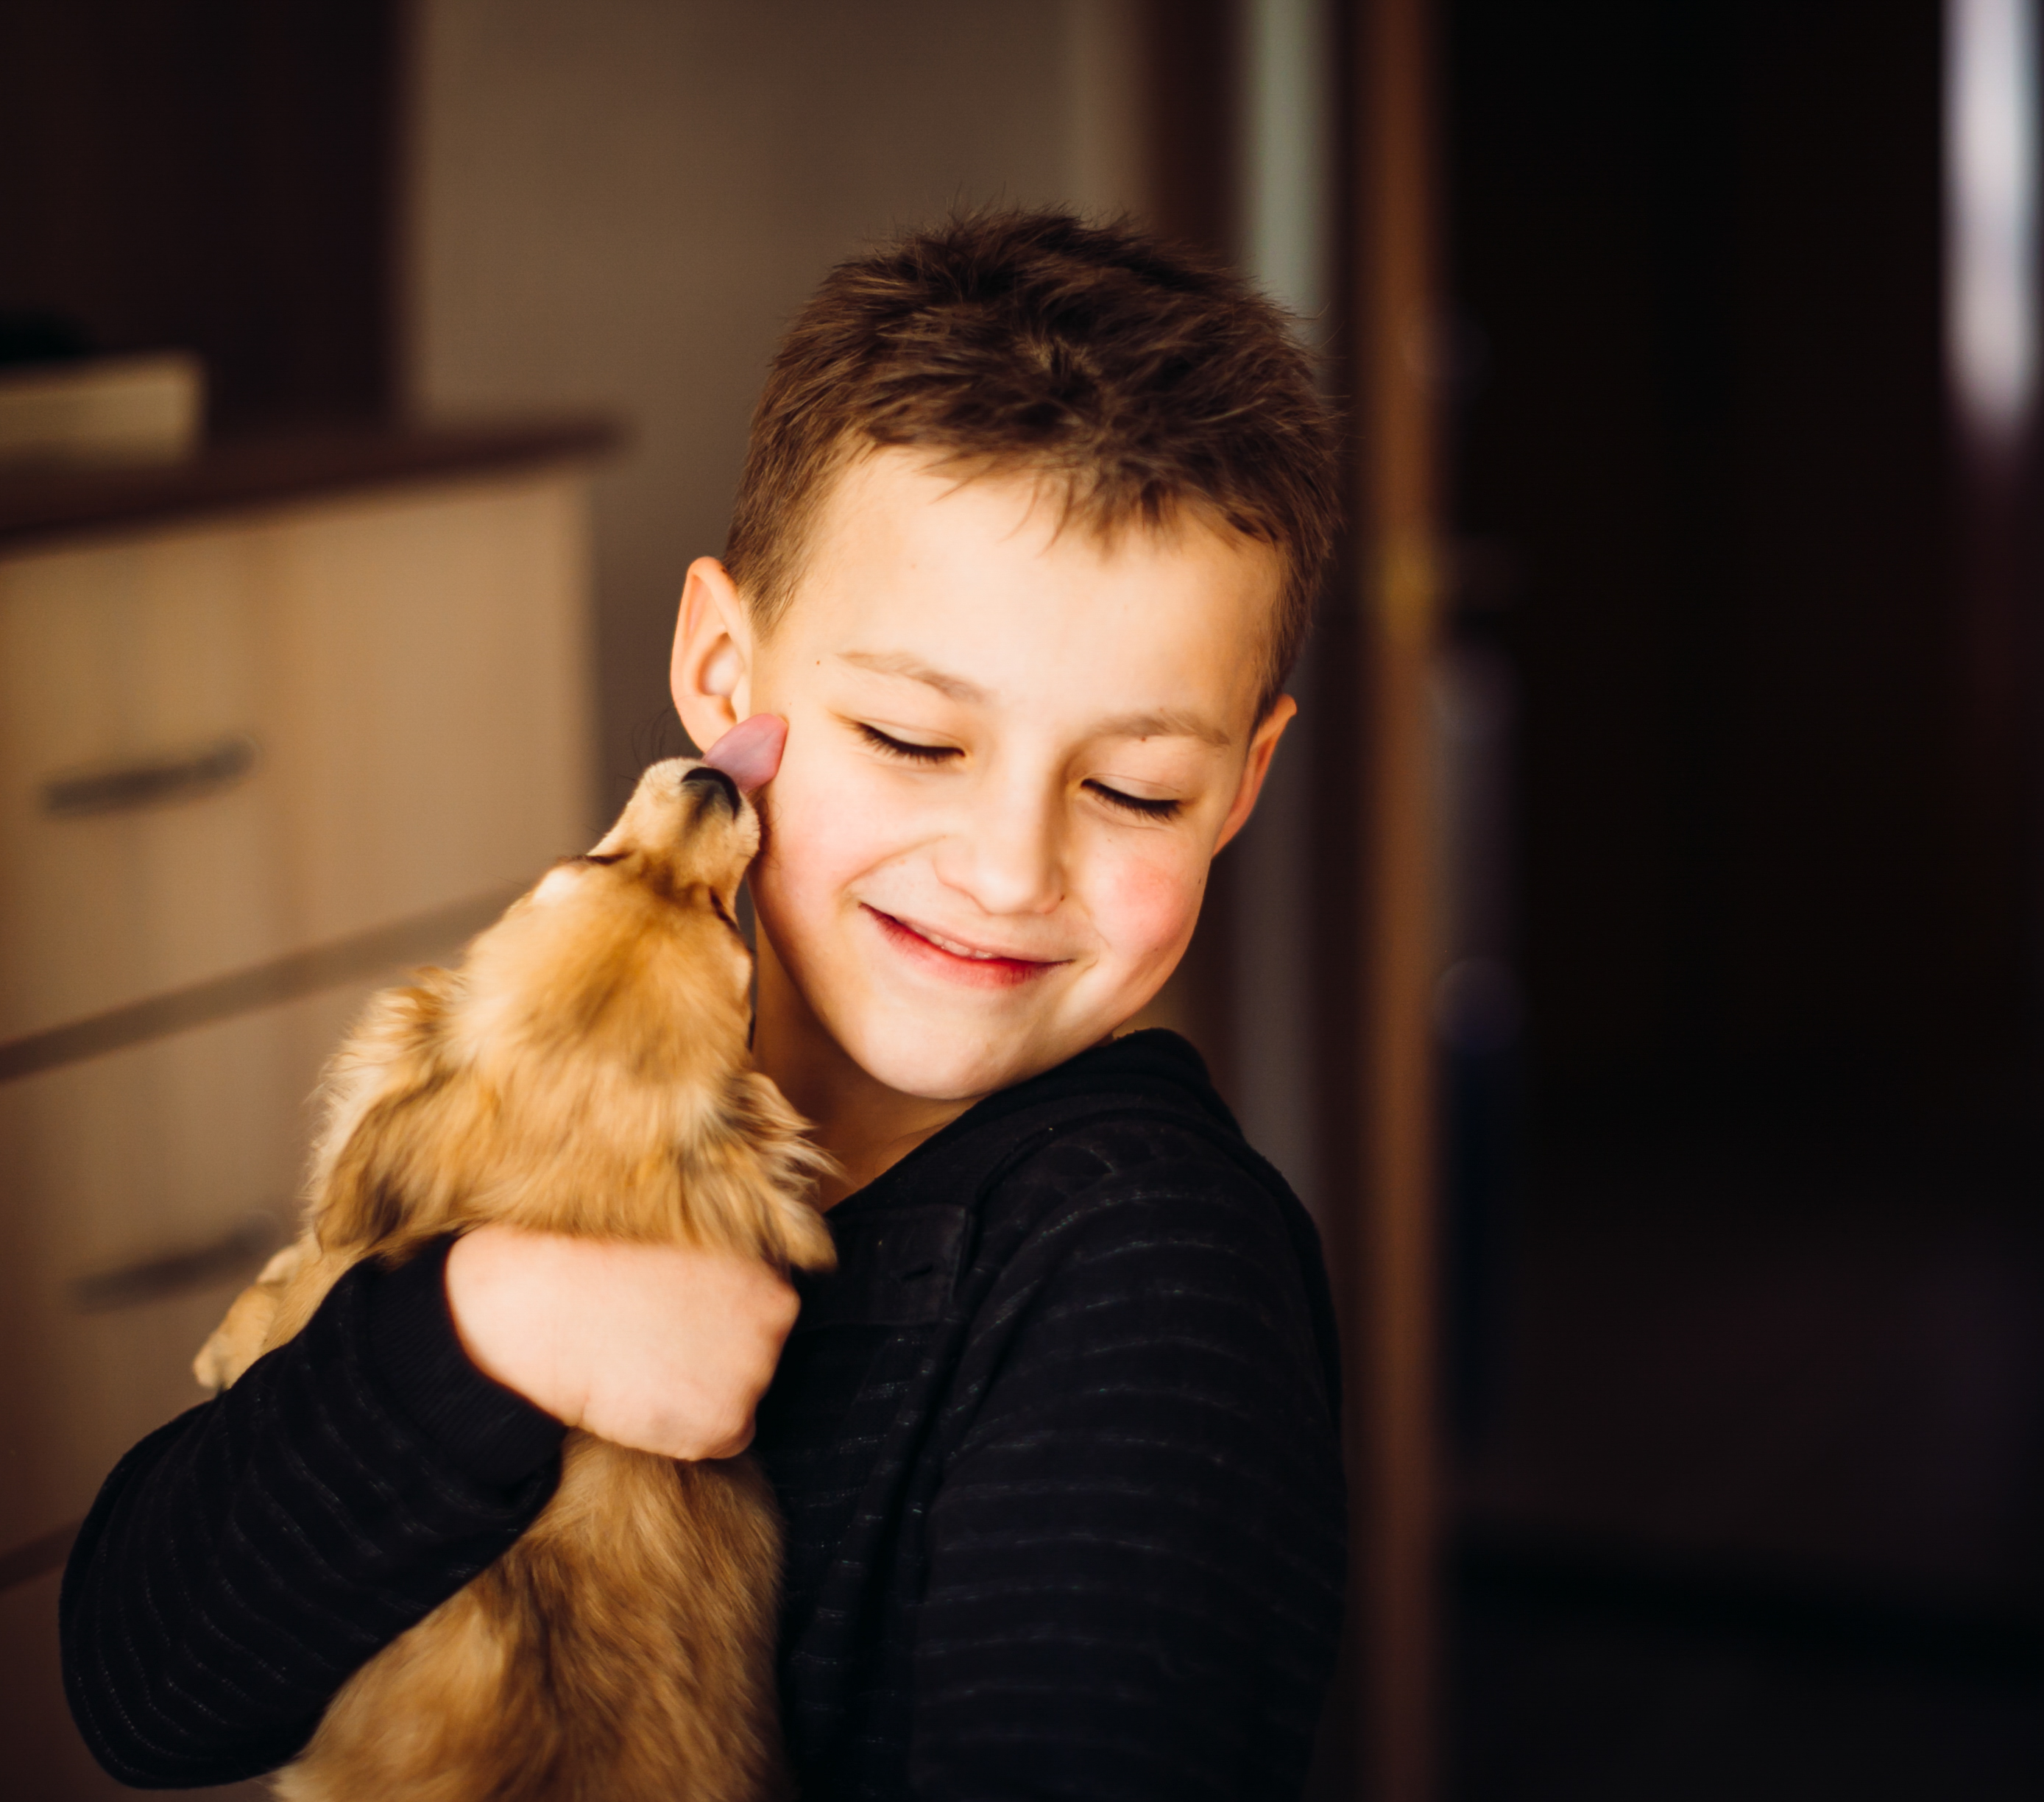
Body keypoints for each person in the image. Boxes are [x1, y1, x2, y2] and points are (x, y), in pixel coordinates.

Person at [62, 209, 1347, 1801]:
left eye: (1137, 790)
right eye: (913, 739)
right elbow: (141, 1685)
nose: (1012, 870)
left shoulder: (1147, 1277)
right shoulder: (571, 1114)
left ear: (1242, 785)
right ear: (725, 677)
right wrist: (483, 1330)